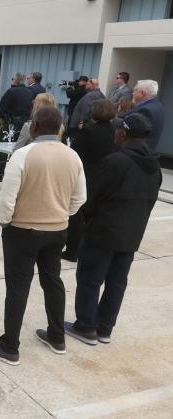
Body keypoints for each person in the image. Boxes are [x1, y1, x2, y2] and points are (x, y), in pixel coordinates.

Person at [0, 107, 86, 365]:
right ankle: (57, 336)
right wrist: (61, 214)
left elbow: (8, 197)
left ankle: (9, 346)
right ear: (59, 128)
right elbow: (80, 197)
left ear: (34, 127)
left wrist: (6, 222)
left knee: (18, 286)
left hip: (23, 230)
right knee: (52, 280)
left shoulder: (23, 155)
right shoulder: (73, 156)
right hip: (57, 229)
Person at [66, 114, 161, 346]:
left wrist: (86, 220)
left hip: (103, 231)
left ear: (124, 134)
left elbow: (92, 198)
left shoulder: (115, 162)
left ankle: (86, 326)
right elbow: (151, 201)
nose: (115, 133)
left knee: (90, 278)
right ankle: (105, 327)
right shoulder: (154, 167)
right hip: (132, 233)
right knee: (117, 281)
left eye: (118, 130)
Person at [62, 99, 117, 262]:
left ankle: (72, 251)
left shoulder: (88, 130)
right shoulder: (115, 129)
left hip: (88, 175)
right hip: (107, 174)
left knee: (78, 214)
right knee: (96, 212)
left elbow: (75, 153)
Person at [0, 72, 33, 181]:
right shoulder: (29, 92)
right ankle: (15, 174)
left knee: (4, 148)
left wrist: (2, 117)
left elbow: (0, 109)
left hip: (10, 124)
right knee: (19, 149)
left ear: (15, 81)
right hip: (24, 124)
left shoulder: (11, 91)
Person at [126, 79, 165, 153]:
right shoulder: (158, 105)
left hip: (138, 152)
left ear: (142, 93)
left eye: (135, 90)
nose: (133, 93)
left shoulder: (145, 109)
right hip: (148, 149)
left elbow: (132, 129)